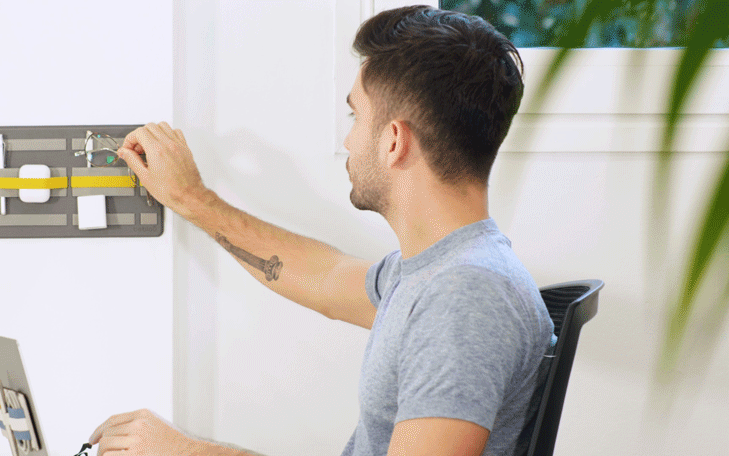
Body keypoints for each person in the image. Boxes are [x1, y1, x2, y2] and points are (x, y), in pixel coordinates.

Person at [88, 5, 554, 456]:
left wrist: (184, 453)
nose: (348, 139)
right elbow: (324, 277)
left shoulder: (464, 297)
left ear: (394, 141)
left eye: (356, 117)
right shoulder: (441, 272)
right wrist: (191, 198)